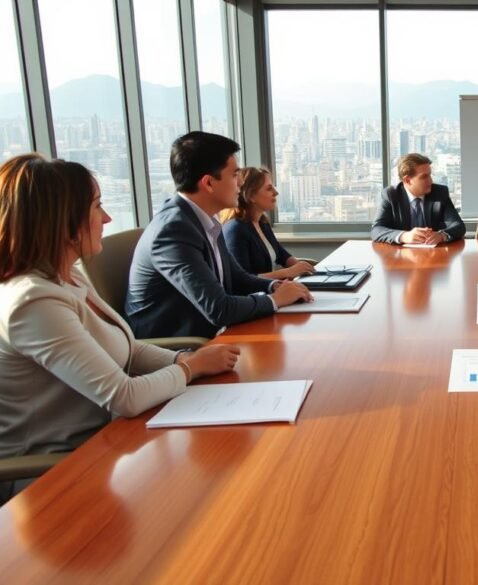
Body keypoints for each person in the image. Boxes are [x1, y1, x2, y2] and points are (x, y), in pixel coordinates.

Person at [0, 154, 239, 501]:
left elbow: (128, 348)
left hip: (107, 444)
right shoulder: (33, 303)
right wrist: (190, 368)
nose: (107, 218)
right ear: (62, 221)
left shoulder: (67, 275)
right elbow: (122, 396)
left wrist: (184, 360)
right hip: (50, 478)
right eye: (97, 207)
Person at [126, 131, 312, 339]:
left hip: (210, 336)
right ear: (208, 183)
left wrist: (274, 286)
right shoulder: (173, 231)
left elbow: (236, 277)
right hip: (180, 348)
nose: (240, 184)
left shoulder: (205, 220)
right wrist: (275, 300)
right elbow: (218, 308)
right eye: (234, 175)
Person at [223, 167, 315, 279]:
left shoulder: (262, 222)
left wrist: (304, 268)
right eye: (269, 189)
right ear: (251, 196)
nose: (276, 193)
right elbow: (242, 281)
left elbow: (282, 255)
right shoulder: (236, 230)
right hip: (258, 294)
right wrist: (288, 273)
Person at [370, 153, 466, 245]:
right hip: (402, 257)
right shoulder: (391, 195)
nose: (430, 180)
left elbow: (458, 226)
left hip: (434, 255)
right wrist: (404, 236)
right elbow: (376, 230)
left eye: (430, 175)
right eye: (424, 177)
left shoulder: (439, 193)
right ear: (407, 180)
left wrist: (441, 235)